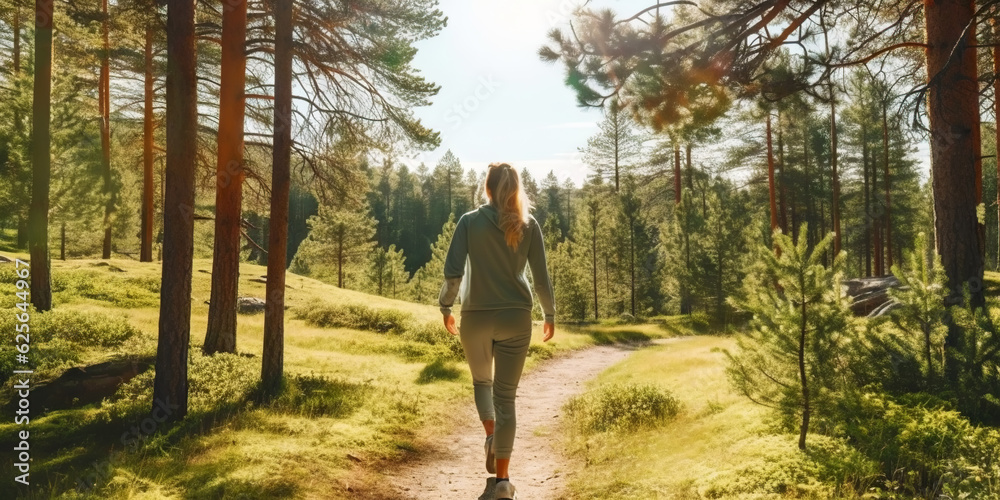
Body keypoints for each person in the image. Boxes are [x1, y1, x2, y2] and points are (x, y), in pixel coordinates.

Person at [438, 162, 556, 500]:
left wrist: (446, 306)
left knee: (482, 384)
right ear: (516, 190)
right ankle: (502, 481)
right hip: (517, 317)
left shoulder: (469, 222)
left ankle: (491, 435)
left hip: (475, 317)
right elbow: (541, 278)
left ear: (487, 189)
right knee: (506, 398)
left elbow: (452, 274)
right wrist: (549, 313)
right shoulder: (528, 225)